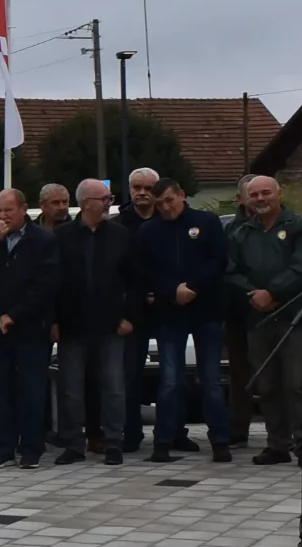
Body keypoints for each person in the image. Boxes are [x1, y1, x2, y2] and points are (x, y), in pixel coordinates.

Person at [225, 174, 302, 469]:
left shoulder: (300, 226)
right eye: (254, 195)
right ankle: (277, 444)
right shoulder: (238, 231)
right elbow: (229, 271)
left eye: (266, 193)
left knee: (298, 383)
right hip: (256, 317)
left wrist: (274, 293)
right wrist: (252, 295)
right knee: (266, 385)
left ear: (278, 193)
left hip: (291, 315)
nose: (260, 199)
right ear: (246, 198)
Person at [137, 179, 231, 463]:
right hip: (170, 313)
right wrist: (171, 291)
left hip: (206, 310)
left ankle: (220, 442)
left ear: (181, 195)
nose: (166, 208)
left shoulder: (207, 222)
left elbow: (218, 261)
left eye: (169, 200)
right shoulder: (149, 230)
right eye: (160, 204)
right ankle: (163, 442)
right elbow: (146, 270)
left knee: (211, 380)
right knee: (169, 380)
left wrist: (193, 287)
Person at [52, 178, 138, 465]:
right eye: (104, 198)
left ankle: (113, 442)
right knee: (71, 389)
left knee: (113, 387)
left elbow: (134, 280)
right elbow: (51, 282)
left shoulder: (120, 235)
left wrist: (129, 316)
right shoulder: (62, 236)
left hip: (111, 325)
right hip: (72, 325)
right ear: (87, 202)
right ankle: (74, 444)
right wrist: (53, 320)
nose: (108, 203)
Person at [0, 188, 58, 468]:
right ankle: (3, 447)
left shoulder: (43, 240)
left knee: (31, 389)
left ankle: (31, 448)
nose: (2, 216)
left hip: (30, 327)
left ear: (24, 210)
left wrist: (15, 314)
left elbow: (44, 285)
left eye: (8, 210)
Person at [115, 168, 160, 452]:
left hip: (167, 309)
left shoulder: (168, 220)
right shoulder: (119, 226)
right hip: (132, 312)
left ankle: (171, 432)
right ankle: (131, 433)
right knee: (128, 374)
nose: (142, 192)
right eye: (136, 187)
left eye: (147, 187)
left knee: (171, 376)